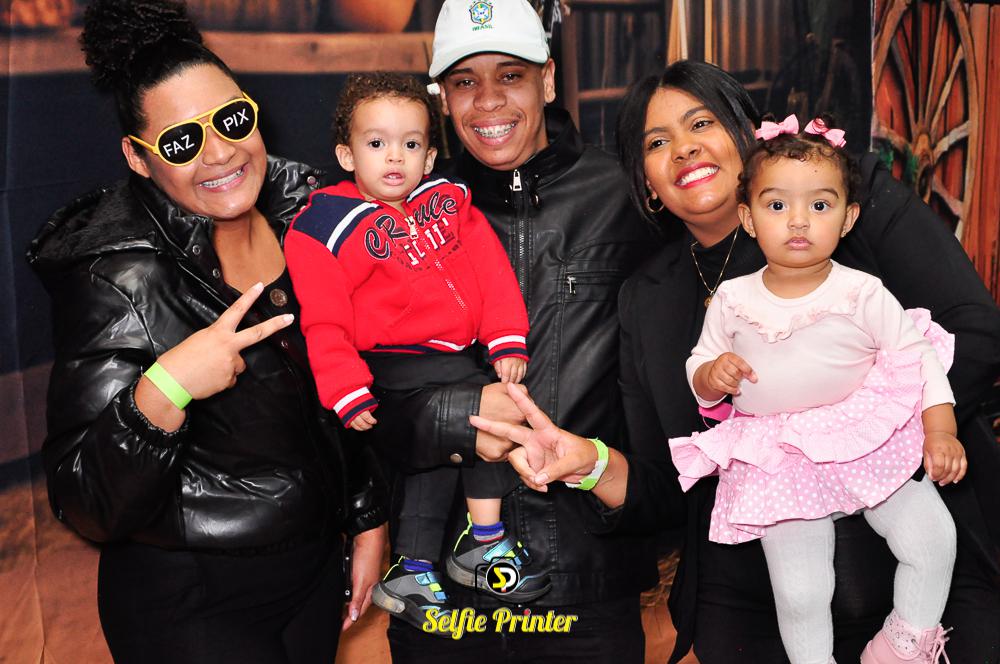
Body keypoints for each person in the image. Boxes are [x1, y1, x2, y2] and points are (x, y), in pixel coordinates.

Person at [472, 60, 1000, 663]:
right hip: (754, 606)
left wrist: (853, 439)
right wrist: (589, 463)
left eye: (702, 123)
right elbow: (668, 481)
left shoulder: (834, 200)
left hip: (926, 581)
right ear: (647, 183)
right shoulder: (647, 299)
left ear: (749, 135)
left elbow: (975, 333)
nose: (683, 148)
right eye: (657, 142)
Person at [25, 1, 386, 662]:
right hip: (191, 600)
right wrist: (166, 388)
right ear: (139, 159)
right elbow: (86, 502)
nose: (220, 152)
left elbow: (341, 387)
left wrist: (365, 517)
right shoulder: (118, 278)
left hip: (312, 573)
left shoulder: (310, 218)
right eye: (181, 142)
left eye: (231, 120)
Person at [362, 0, 661, 661]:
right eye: (465, 81)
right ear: (442, 97)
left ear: (548, 80)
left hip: (584, 588)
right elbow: (357, 397)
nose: (488, 101)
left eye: (511, 75)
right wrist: (462, 415)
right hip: (440, 596)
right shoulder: (394, 211)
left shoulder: (625, 197)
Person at [670, 115, 962, 663]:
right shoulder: (733, 299)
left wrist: (939, 427)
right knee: (801, 592)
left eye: (820, 205)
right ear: (748, 218)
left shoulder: (862, 292)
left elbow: (917, 356)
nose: (798, 220)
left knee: (932, 538)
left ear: (848, 218)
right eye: (777, 205)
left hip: (864, 436)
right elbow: (698, 365)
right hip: (781, 457)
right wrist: (713, 375)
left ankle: (903, 645)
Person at [283, 72, 551, 631]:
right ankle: (483, 542)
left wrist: (506, 336)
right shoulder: (320, 227)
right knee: (483, 423)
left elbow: (492, 271)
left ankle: (418, 565)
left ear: (429, 158)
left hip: (455, 356)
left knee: (459, 444)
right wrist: (344, 388)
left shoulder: (448, 203)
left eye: (410, 144)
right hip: (389, 365)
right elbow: (323, 319)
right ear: (346, 155)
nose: (394, 157)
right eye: (376, 143)